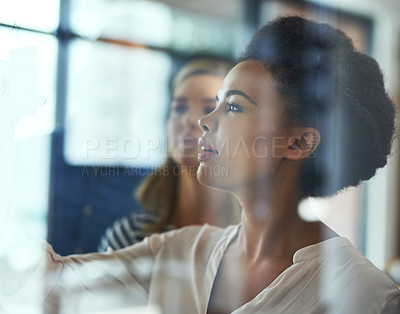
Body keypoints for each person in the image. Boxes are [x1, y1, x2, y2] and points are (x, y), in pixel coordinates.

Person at [40, 16, 399, 313]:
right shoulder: (178, 252)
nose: (205, 121)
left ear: (300, 142)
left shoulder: (366, 298)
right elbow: (48, 281)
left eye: (234, 107)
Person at [98, 59, 240, 251]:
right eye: (179, 108)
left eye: (209, 109)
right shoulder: (129, 240)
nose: (189, 120)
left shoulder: (258, 244)